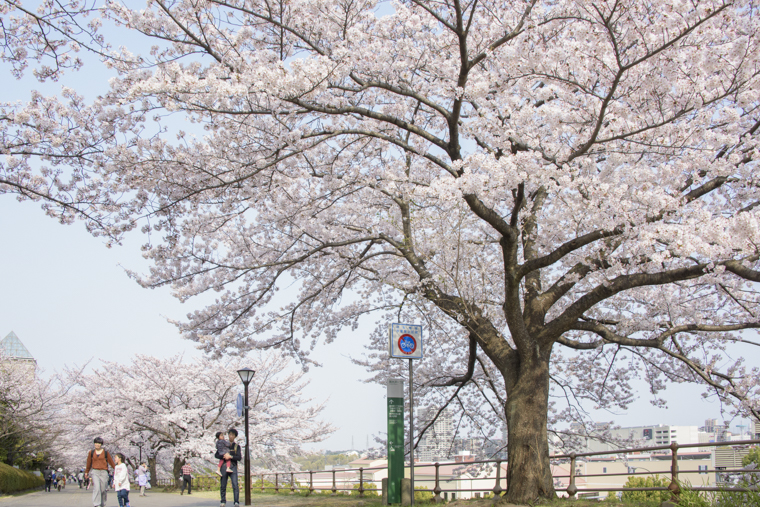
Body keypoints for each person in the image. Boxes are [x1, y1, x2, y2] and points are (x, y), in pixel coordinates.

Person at [84, 436, 116, 507]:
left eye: (99, 443)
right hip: (95, 472)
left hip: (104, 472)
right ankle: (96, 504)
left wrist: (116, 469)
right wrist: (86, 472)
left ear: (101, 444)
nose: (97, 444)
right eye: (96, 443)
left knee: (103, 489)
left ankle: (102, 503)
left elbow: (111, 462)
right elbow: (88, 462)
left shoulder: (105, 453)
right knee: (97, 488)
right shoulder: (91, 452)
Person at [215, 428, 242, 507]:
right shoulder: (223, 443)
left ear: (235, 436)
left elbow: (239, 457)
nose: (230, 436)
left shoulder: (237, 446)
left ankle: (236, 501)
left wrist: (230, 456)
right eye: (229, 434)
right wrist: (223, 456)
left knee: (235, 484)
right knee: (223, 485)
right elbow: (216, 455)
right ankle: (223, 501)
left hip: (233, 467)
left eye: (232, 435)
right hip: (223, 466)